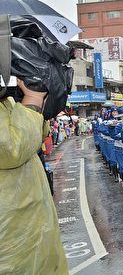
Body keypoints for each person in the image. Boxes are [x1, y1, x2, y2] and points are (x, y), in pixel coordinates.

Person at [0, 79, 68, 273]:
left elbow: (40, 133)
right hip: (12, 238)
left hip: (33, 225)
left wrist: (41, 102)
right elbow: (10, 148)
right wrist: (32, 99)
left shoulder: (8, 100)